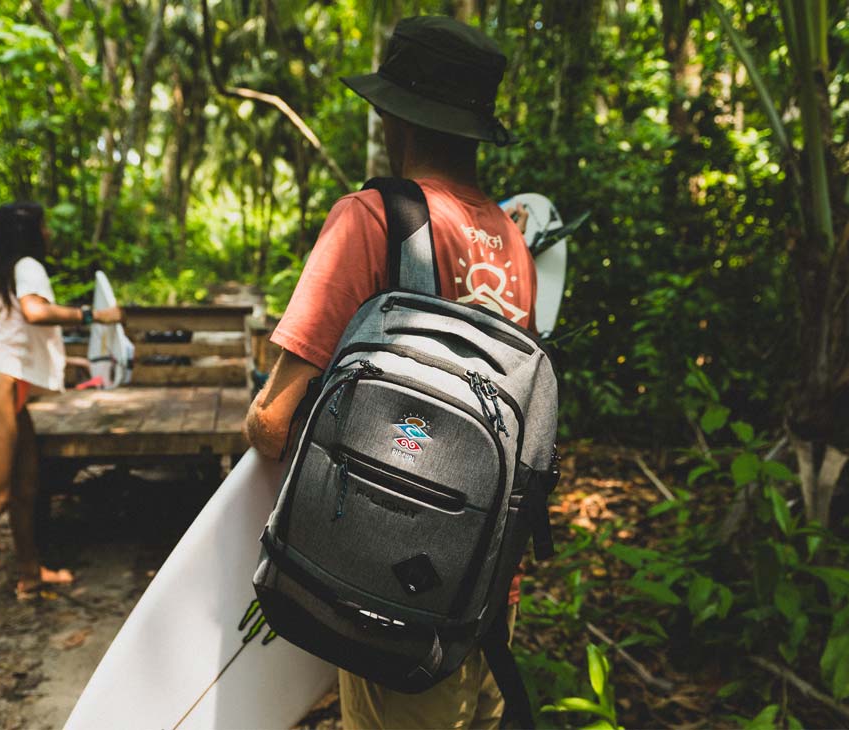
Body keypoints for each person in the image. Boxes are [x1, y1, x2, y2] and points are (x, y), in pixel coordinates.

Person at [243, 16, 536, 729]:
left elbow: (273, 423)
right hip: (487, 589)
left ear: (391, 116)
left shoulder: (371, 218)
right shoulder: (513, 242)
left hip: (391, 592)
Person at [0, 202, 122, 642]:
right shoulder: (27, 266)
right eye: (43, 226)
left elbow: (19, 332)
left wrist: (76, 359)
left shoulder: (5, 272)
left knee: (27, 486)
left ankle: (30, 572)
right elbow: (35, 312)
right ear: (30, 233)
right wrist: (93, 315)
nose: (48, 233)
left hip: (3, 385)